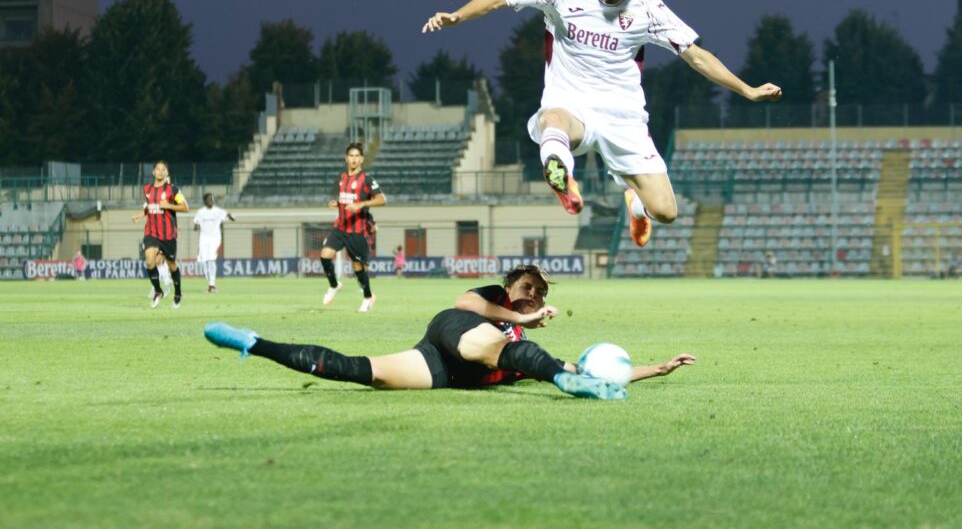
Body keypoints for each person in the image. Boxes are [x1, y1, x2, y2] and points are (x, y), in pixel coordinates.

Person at [422, 0, 781, 248]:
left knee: (666, 211)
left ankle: (635, 205)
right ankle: (563, 179)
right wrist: (457, 16)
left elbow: (697, 55)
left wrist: (746, 89)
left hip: (623, 117)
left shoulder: (648, 8)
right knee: (553, 119)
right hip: (571, 103)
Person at [205, 264, 696, 400]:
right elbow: (464, 305)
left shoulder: (522, 350)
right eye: (528, 287)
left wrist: (658, 369)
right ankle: (563, 388)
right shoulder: (495, 302)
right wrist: (519, 319)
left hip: (445, 368)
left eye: (541, 294)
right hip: (453, 331)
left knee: (360, 372)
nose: (534, 296)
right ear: (510, 286)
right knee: (513, 350)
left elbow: (592, 370)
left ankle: (255, 343)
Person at [321, 142, 387, 312]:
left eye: (357, 156)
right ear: (346, 158)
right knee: (325, 255)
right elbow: (346, 200)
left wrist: (361, 204)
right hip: (341, 227)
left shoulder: (367, 179)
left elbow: (382, 200)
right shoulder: (342, 178)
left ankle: (368, 297)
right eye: (351, 156)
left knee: (358, 267)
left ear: (362, 159)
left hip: (358, 231)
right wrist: (338, 204)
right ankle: (334, 285)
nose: (354, 159)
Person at [131, 161, 189, 308]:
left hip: (168, 235)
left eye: (164, 170)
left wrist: (168, 205)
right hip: (151, 232)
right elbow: (150, 206)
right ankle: (158, 291)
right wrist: (141, 214)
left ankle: (178, 293)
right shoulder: (147, 189)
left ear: (167, 173)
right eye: (158, 169)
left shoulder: (173, 190)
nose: (161, 172)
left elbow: (185, 207)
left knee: (171, 265)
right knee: (150, 261)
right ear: (153, 172)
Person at [193, 192, 235, 293]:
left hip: (214, 239)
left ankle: (212, 284)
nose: (211, 201)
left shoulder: (218, 211)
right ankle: (209, 281)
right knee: (203, 261)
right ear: (204, 201)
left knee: (211, 260)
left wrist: (230, 216)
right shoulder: (200, 212)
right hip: (203, 238)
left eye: (212, 199)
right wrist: (196, 226)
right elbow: (196, 224)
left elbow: (230, 217)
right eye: (208, 199)